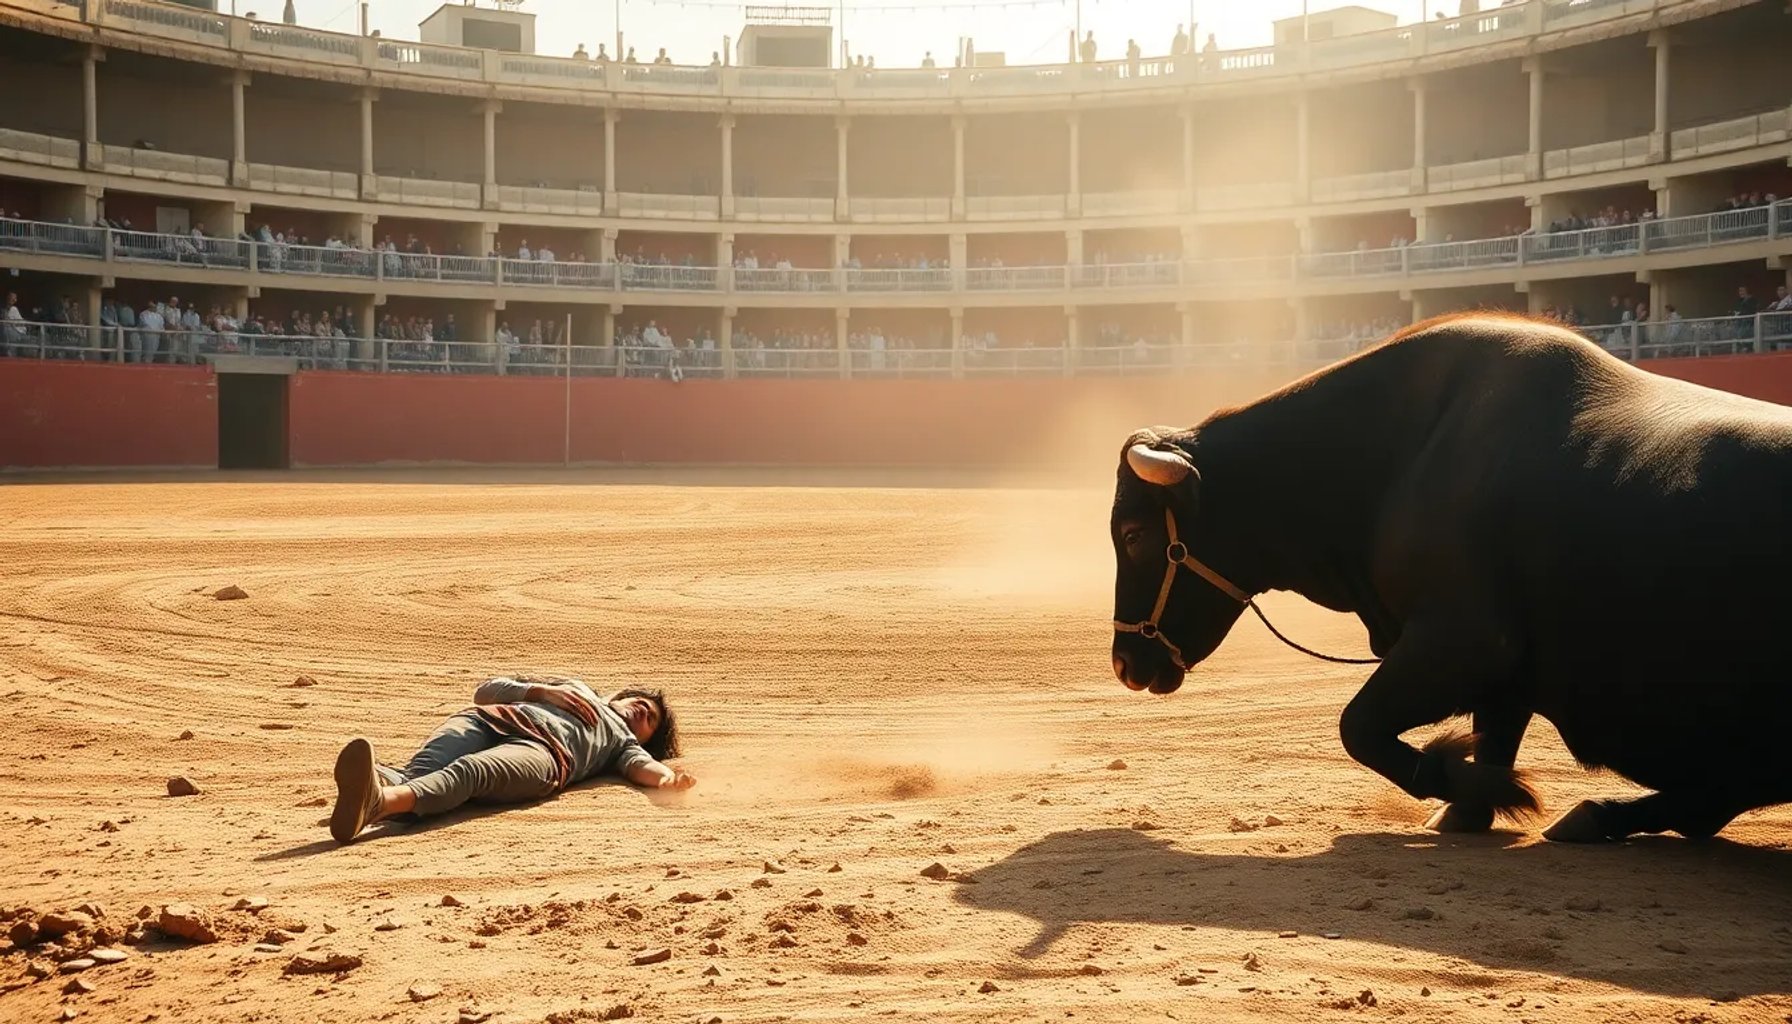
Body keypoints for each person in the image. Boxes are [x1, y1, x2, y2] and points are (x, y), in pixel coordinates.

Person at [329, 675, 691, 844]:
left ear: (646, 739)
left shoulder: (623, 742)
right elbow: (484, 692)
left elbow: (644, 768)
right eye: (640, 701)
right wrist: (539, 691)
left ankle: (379, 801)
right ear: (619, 694)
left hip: (545, 753)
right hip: (492, 718)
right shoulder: (574, 687)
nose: (644, 709)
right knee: (423, 769)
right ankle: (381, 787)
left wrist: (667, 780)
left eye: (652, 719)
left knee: (471, 771)